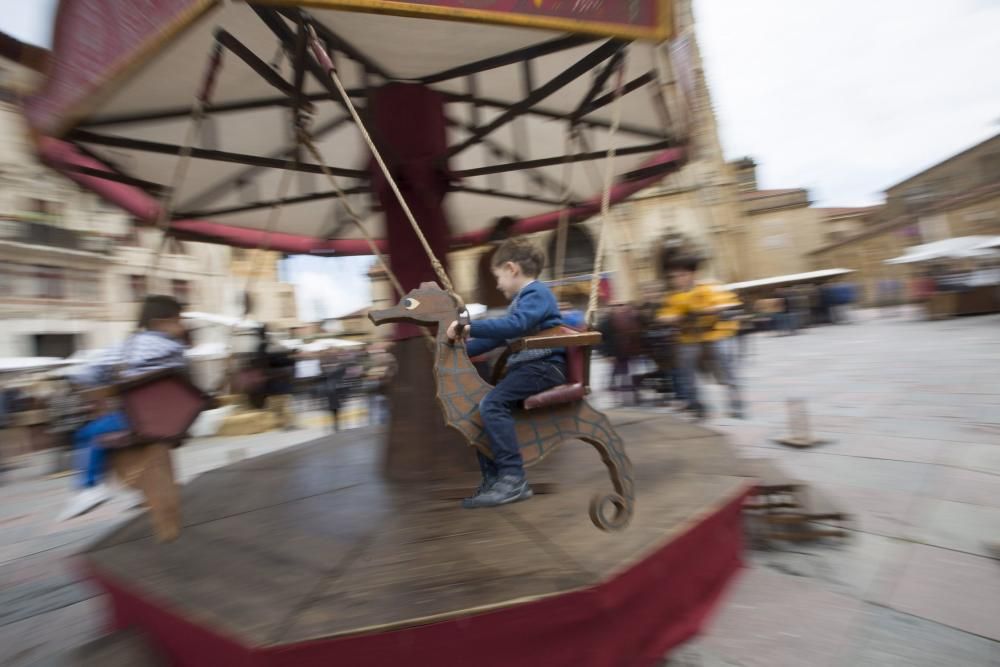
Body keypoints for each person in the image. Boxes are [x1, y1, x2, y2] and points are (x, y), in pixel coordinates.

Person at [447, 237, 565, 509]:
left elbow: (514, 326)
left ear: (512, 269)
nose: (498, 284)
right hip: (532, 368)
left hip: (545, 368)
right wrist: (459, 351)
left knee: (492, 403)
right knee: (482, 408)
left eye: (498, 276)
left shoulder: (537, 294)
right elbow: (499, 338)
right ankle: (494, 479)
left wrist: (469, 327)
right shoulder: (526, 301)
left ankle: (513, 479)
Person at [60, 295, 190, 538]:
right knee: (117, 437)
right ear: (161, 322)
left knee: (88, 435)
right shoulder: (178, 350)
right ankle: (139, 492)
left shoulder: (129, 347)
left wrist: (106, 383)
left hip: (137, 420)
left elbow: (84, 373)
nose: (182, 326)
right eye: (178, 321)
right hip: (172, 421)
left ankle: (89, 488)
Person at [657, 256, 744, 420]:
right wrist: (679, 316)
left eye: (681, 275)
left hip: (715, 335)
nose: (677, 280)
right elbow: (663, 317)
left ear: (692, 274)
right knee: (687, 372)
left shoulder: (709, 288)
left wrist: (705, 310)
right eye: (673, 277)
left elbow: (728, 305)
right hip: (689, 339)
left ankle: (736, 404)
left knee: (727, 370)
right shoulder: (674, 298)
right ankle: (697, 405)